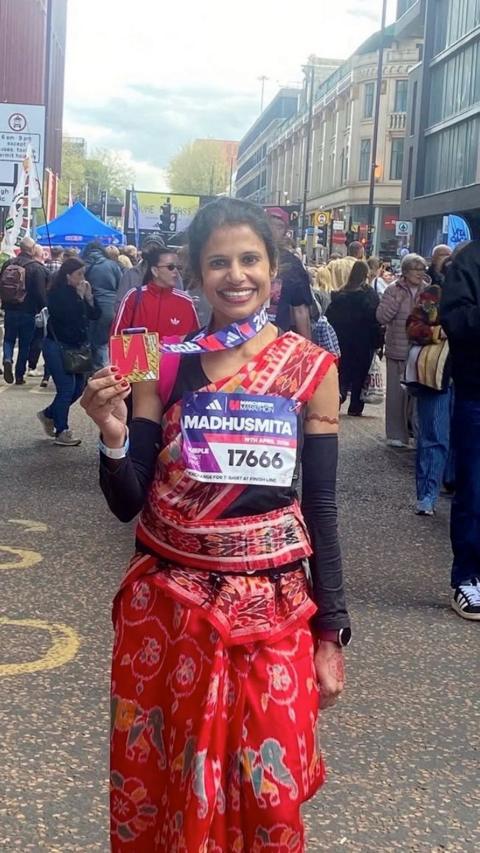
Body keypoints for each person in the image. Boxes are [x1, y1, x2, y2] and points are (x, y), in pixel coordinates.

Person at [81, 197, 350, 851]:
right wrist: (113, 436)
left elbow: (320, 502)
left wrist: (332, 629)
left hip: (274, 610)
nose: (237, 275)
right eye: (219, 262)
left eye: (249, 259)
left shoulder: (309, 367)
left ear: (274, 267)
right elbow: (128, 499)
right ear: (198, 275)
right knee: (172, 789)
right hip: (172, 611)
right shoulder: (164, 363)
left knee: (271, 797)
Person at [440, 240, 480, 620]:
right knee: (474, 489)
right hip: (476, 392)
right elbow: (455, 320)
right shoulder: (469, 262)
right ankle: (468, 577)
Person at [37, 257, 100, 446]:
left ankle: (49, 414)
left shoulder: (78, 292)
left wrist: (88, 298)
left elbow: (95, 315)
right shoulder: (58, 293)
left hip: (76, 348)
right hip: (58, 346)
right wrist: (80, 299)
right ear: (67, 275)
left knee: (79, 388)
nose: (82, 278)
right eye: (79, 274)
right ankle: (62, 430)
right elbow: (68, 318)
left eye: (84, 274)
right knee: (65, 389)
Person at [406, 284, 452, 516]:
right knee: (433, 436)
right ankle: (427, 494)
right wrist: (439, 332)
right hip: (437, 377)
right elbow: (412, 328)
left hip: (468, 377)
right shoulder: (435, 293)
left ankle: (451, 484)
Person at [376, 253, 428, 447]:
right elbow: (381, 317)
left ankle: (414, 431)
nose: (420, 273)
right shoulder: (393, 290)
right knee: (397, 395)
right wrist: (396, 301)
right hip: (398, 348)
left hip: (420, 349)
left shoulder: (427, 291)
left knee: (416, 394)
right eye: (416, 269)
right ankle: (396, 435)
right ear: (405, 272)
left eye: (422, 269)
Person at [327, 260, 382, 416]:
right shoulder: (368, 294)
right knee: (360, 372)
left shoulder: (339, 295)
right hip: (363, 340)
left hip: (342, 339)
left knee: (343, 371)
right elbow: (375, 316)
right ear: (365, 275)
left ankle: (340, 395)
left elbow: (330, 317)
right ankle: (355, 406)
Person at [113, 243, 199, 337]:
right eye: (170, 267)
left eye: (178, 267)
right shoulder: (132, 297)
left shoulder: (186, 302)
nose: (175, 271)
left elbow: (196, 341)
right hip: (137, 351)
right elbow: (116, 337)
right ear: (155, 271)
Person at [1, 235, 47, 385]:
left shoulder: (8, 264)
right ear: (32, 249)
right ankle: (19, 375)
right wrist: (44, 309)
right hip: (28, 311)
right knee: (25, 344)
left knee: (8, 339)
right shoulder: (36, 268)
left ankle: (7, 359)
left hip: (9, 309)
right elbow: (40, 293)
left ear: (20, 248)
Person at [266, 207, 313, 338]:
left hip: (276, 340)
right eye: (269, 224)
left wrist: (306, 351)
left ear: (285, 232)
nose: (273, 230)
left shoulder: (292, 264)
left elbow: (301, 310)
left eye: (279, 227)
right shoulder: (245, 257)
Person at [82, 242, 122, 371]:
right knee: (104, 343)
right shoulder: (112, 265)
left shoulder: (82, 265)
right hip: (110, 307)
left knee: (91, 342)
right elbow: (120, 286)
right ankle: (104, 369)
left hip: (89, 307)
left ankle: (93, 371)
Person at [114, 236, 165, 310]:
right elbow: (120, 303)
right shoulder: (131, 274)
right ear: (142, 251)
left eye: (156, 248)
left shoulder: (171, 274)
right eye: (149, 248)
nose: (152, 251)